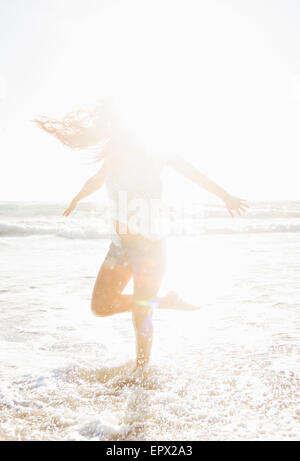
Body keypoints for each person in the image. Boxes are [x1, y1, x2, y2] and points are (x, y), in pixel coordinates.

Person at [34, 102, 248, 371]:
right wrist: (78, 197)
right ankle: (166, 301)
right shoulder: (114, 155)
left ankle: (141, 371)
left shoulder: (158, 152)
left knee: (141, 314)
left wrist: (225, 196)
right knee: (101, 306)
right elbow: (96, 180)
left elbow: (195, 174)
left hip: (151, 246)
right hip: (120, 247)